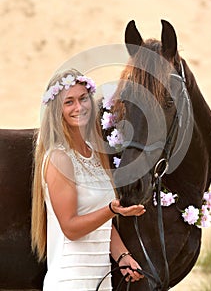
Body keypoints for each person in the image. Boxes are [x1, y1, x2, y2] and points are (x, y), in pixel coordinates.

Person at [31, 68, 145, 291]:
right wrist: (113, 210)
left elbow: (99, 216)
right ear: (57, 110)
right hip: (70, 281)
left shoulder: (95, 153)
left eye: (83, 98)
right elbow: (71, 228)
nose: (79, 107)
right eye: (69, 102)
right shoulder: (59, 158)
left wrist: (122, 256)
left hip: (101, 281)